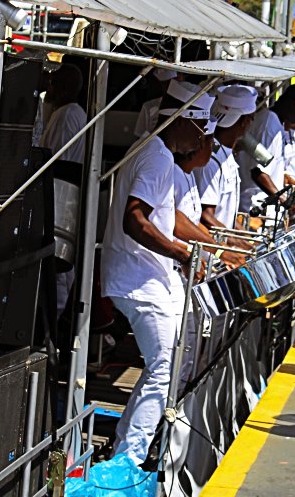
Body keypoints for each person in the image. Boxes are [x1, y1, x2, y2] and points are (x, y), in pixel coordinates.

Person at [101, 79, 211, 465]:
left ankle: (128, 447)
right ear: (181, 119)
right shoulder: (158, 155)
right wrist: (180, 254)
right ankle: (128, 457)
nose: (201, 139)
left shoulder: (148, 149)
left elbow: (164, 216)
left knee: (165, 365)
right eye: (199, 128)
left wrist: (194, 245)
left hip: (144, 278)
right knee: (163, 367)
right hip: (140, 280)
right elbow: (136, 218)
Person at [39, 63, 88, 315]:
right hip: (62, 199)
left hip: (60, 200)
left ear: (66, 88)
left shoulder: (68, 114)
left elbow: (56, 162)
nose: (49, 89)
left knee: (58, 269)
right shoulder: (65, 112)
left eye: (54, 84)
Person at [237, 83, 295, 212]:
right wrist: (284, 199)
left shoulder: (276, 124)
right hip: (255, 207)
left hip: (266, 208)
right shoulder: (269, 123)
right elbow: (257, 172)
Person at [195, 85, 258, 233]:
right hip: (211, 252)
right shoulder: (211, 160)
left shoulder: (226, 156)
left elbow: (225, 214)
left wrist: (245, 237)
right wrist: (234, 242)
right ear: (243, 122)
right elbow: (206, 216)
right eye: (250, 118)